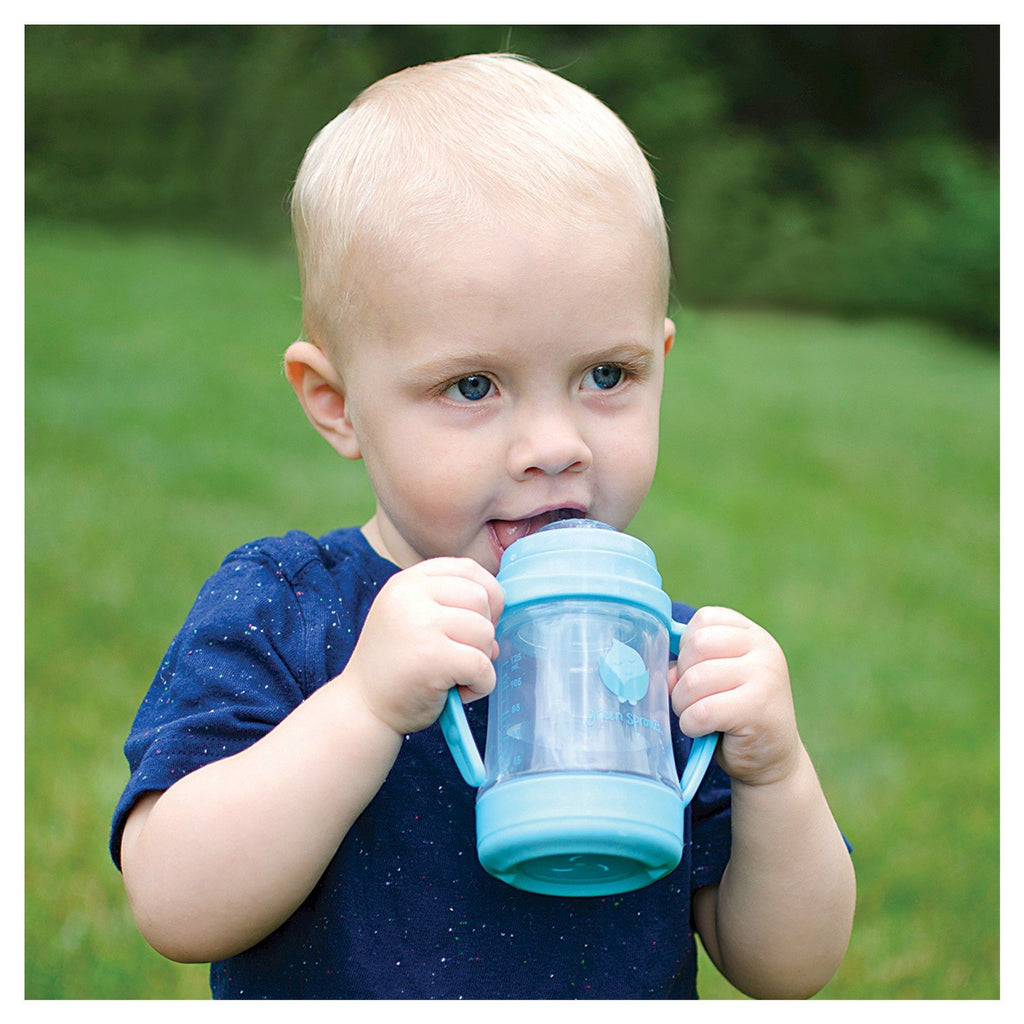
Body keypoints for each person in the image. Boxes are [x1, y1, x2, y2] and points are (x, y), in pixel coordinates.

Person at [111, 53, 855, 999]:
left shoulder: (652, 661)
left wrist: (775, 774)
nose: (555, 444)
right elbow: (175, 903)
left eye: (607, 376)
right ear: (337, 403)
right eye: (473, 386)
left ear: (662, 359)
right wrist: (365, 708)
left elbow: (788, 970)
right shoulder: (291, 607)